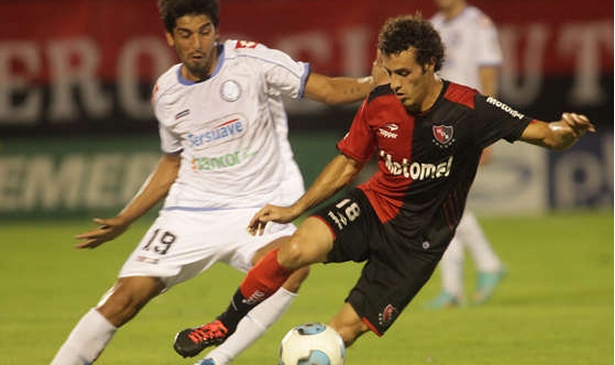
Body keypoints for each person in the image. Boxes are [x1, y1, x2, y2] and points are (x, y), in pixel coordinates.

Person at [175, 14, 594, 355]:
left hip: (418, 245)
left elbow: (545, 134)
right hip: (374, 207)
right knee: (297, 248)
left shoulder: (470, 109)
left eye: (405, 73)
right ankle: (221, 325)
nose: (395, 82)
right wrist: (293, 209)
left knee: (337, 336)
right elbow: (348, 162)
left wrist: (566, 132)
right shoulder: (380, 101)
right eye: (390, 71)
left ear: (430, 66)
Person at [49, 1, 386, 364]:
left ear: (216, 31)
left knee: (292, 267)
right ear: (169, 38)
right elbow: (171, 164)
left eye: (205, 31)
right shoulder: (166, 92)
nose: (197, 44)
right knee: (124, 299)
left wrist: (375, 84)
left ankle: (216, 360)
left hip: (260, 206)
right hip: (192, 211)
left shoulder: (252, 62)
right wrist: (126, 218)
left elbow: (331, 90)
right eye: (186, 34)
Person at [426, 0, 506, 308]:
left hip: (468, 119)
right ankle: (458, 285)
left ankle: (478, 271)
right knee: (443, 203)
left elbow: (487, 73)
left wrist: (490, 126)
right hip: (439, 122)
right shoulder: (435, 24)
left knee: (442, 201)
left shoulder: (477, 23)